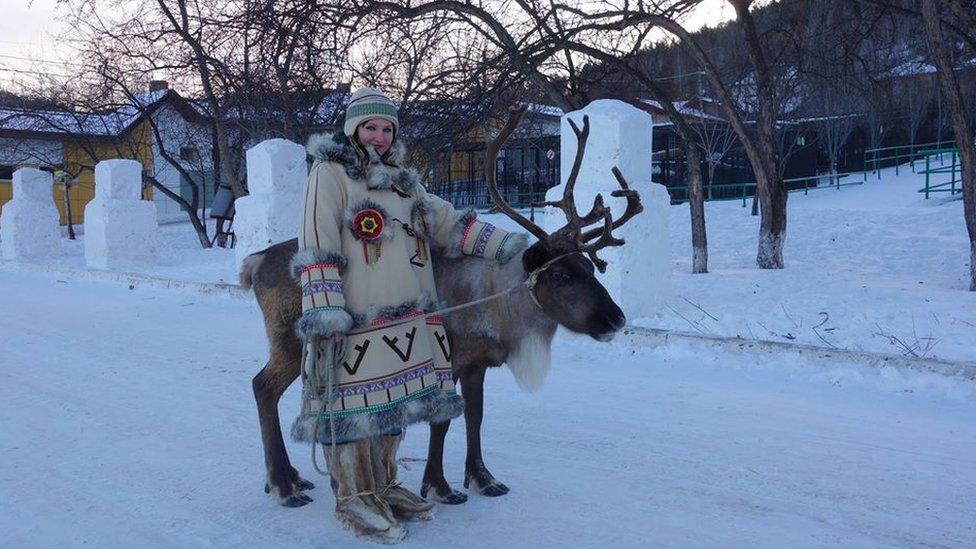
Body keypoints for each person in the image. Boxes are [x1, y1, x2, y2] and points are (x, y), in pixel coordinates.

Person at [291, 87, 527, 543]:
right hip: (357, 320)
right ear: (352, 129)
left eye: (386, 129)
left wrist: (511, 248)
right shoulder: (330, 173)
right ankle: (354, 498)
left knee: (391, 407)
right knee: (354, 410)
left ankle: (383, 484)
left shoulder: (403, 179)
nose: (378, 137)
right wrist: (325, 313)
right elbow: (316, 242)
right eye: (369, 127)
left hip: (408, 322)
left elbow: (445, 221)